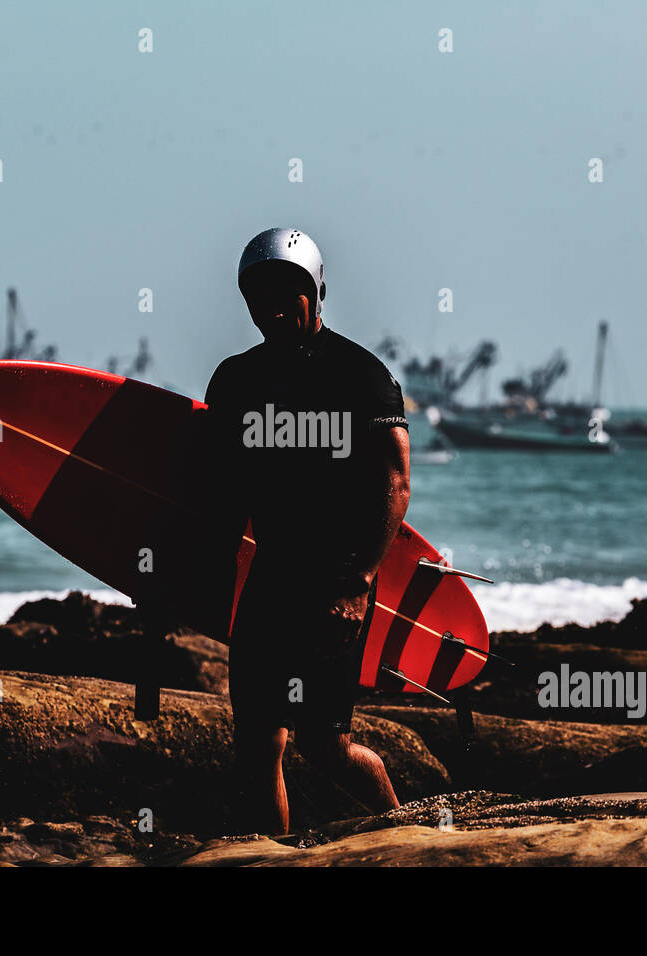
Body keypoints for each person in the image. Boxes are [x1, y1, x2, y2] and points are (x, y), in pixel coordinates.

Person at [203, 227, 411, 835]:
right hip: (270, 579)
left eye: (285, 292)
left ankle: (403, 836)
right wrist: (208, 577)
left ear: (315, 292)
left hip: (335, 586)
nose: (271, 306)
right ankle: (278, 853)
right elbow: (222, 490)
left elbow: (395, 485)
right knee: (258, 742)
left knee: (326, 748)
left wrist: (359, 582)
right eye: (258, 295)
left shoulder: (360, 375)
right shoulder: (236, 381)